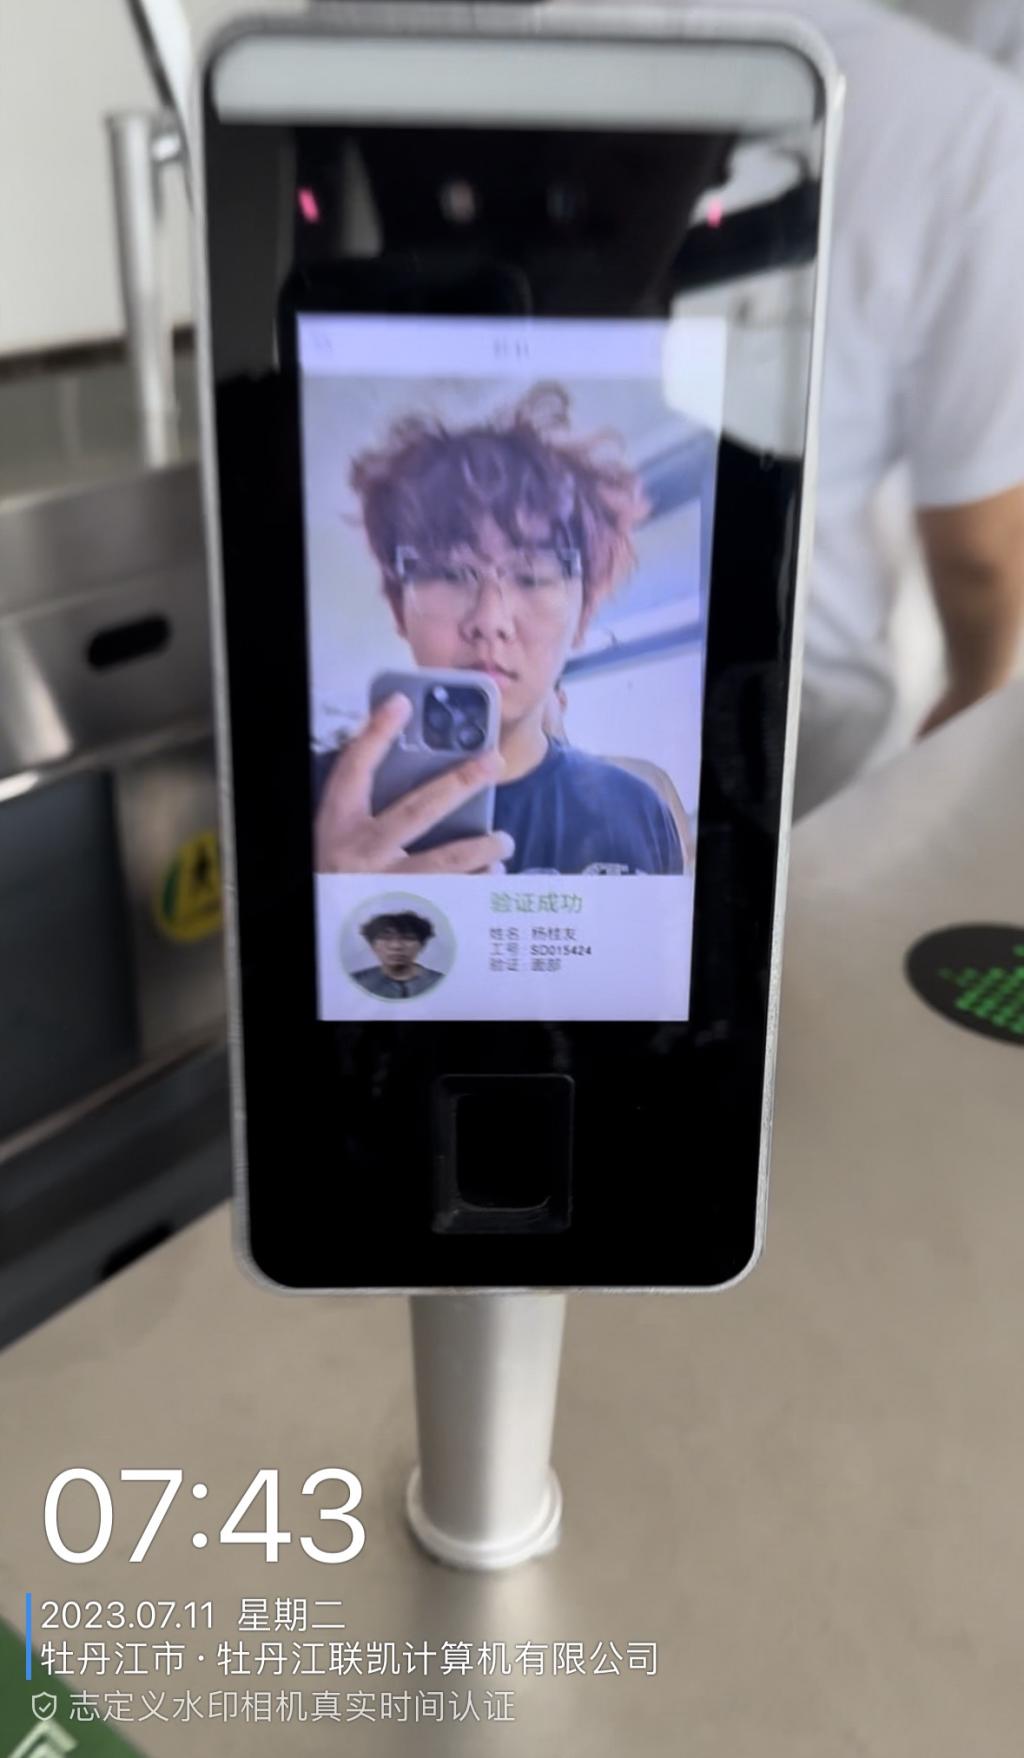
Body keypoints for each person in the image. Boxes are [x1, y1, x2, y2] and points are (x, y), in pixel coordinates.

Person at [690, 0, 1024, 813]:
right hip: (805, 728)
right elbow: (979, 550)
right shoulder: (965, 124)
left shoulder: (500, 48)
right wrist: (973, 693)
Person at [314, 383, 685, 876]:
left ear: (583, 618)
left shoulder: (639, 811)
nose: (490, 621)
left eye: (532, 577)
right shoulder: (321, 799)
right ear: (400, 609)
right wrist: (324, 898)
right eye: (450, 574)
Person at [350, 911, 445, 999]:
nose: (396, 946)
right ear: (372, 945)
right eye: (386, 938)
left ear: (422, 945)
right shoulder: (355, 982)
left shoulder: (440, 982)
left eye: (408, 938)